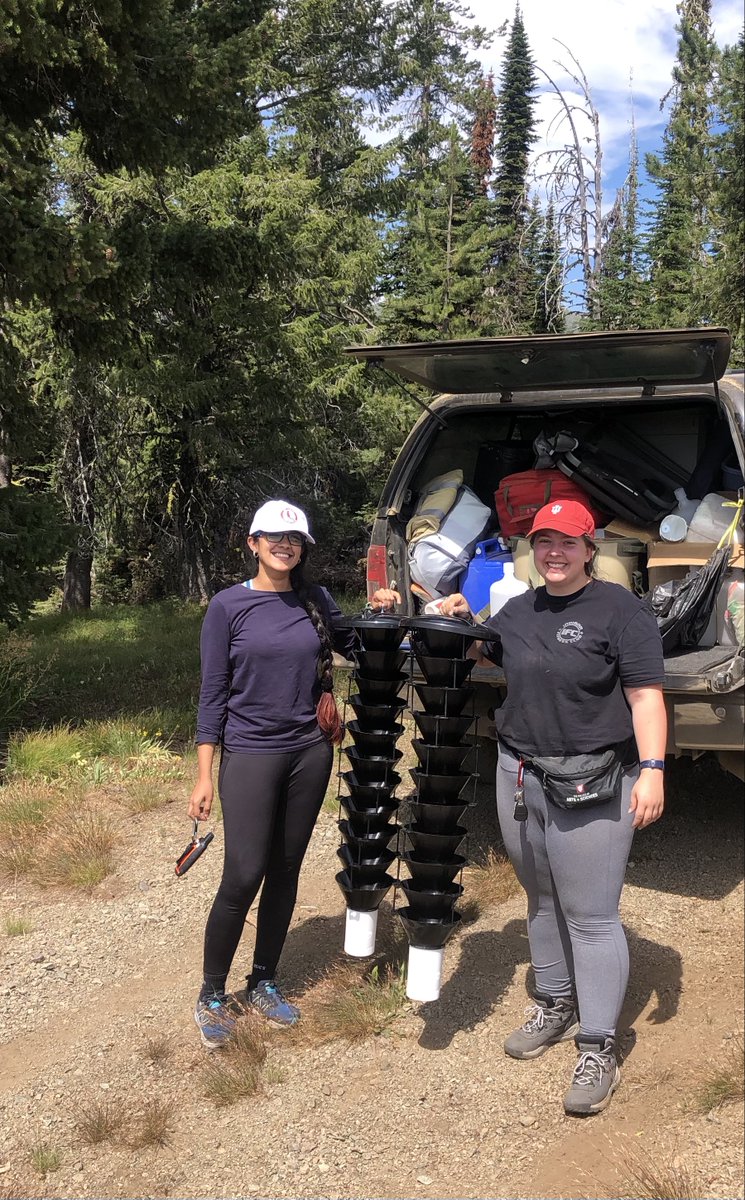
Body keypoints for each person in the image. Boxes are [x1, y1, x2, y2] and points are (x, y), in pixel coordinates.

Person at [440, 500, 666, 1115]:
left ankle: (598, 1044)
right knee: (539, 896)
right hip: (519, 770)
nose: (554, 553)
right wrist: (458, 614)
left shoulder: (621, 612)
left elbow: (645, 695)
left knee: (591, 913)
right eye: (543, 542)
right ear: (531, 550)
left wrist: (652, 771)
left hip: (594, 775)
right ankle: (555, 1001)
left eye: (567, 542)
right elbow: (480, 653)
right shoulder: (516, 610)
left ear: (590, 548)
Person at [189, 499, 396, 1048]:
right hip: (251, 752)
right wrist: (205, 773)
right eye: (273, 537)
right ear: (253, 543)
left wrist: (376, 608)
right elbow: (212, 696)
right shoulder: (228, 607)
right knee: (243, 873)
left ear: (303, 548)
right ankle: (212, 994)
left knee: (285, 870)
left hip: (309, 752)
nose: (285, 546)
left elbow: (356, 648)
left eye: (295, 539)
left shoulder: (315, 600)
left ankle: (264, 980)